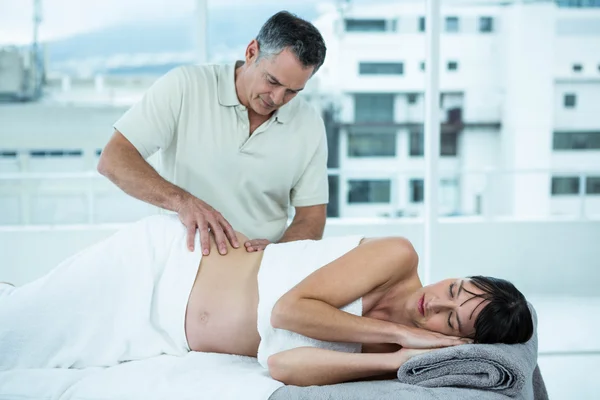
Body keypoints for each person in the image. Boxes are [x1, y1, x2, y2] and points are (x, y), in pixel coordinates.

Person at [0, 215, 534, 387]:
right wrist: (400, 334)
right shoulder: (397, 256)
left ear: (455, 340)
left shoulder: (386, 353)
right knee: (11, 333)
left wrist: (394, 360)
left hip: (161, 336)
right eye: (455, 289)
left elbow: (281, 362)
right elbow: (287, 311)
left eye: (451, 318)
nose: (436, 303)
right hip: (153, 271)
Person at [97, 11, 329, 257]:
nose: (277, 98)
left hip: (262, 270)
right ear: (251, 52)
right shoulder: (185, 86)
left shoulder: (309, 123)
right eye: (272, 81)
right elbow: (114, 159)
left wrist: (278, 254)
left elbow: (312, 217)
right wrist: (182, 202)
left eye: (292, 91)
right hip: (182, 261)